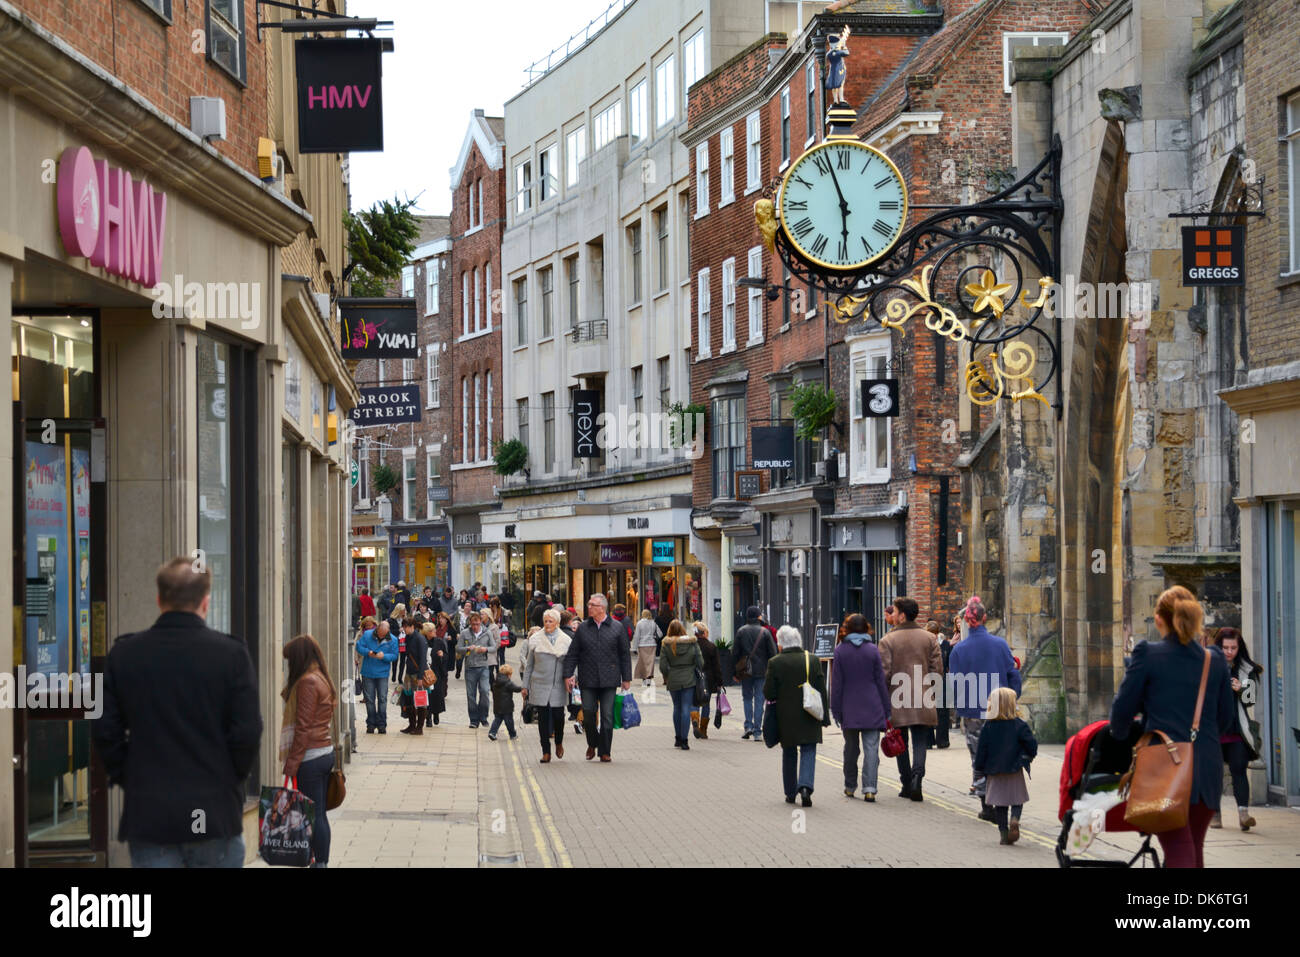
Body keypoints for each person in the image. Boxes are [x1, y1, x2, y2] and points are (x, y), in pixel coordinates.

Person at [93, 557, 262, 867]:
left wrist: (130, 776)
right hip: (214, 811)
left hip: (152, 814)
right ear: (206, 603)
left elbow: (104, 730)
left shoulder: (125, 655)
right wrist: (229, 779)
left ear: (159, 600)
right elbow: (248, 732)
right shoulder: (231, 655)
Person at [1110, 585, 1234, 868]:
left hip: (1165, 767)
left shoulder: (1147, 654)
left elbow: (1122, 709)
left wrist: (1121, 735)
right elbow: (1226, 719)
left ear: (1159, 619)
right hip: (1206, 768)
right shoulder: (1213, 659)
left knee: (1179, 848)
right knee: (1194, 846)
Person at [947, 596, 1021, 820]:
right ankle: (1002, 801)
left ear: (967, 621)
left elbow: (955, 684)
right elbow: (1013, 674)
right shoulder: (999, 644)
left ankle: (986, 804)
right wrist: (1013, 697)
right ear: (984, 618)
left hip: (973, 711)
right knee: (999, 753)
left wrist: (958, 707)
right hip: (1000, 707)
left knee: (978, 755)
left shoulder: (959, 650)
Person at [279, 634, 337, 867]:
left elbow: (303, 727)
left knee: (314, 815)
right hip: (323, 751)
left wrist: (292, 763)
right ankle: (320, 860)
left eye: (290, 660)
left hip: (311, 757)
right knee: (319, 813)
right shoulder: (320, 676)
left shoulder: (308, 682)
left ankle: (320, 862)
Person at [878, 597, 942, 801]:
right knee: (920, 741)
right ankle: (917, 778)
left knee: (900, 741)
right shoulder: (929, 638)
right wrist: (930, 691)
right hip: (923, 696)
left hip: (897, 698)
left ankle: (906, 783)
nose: (892, 615)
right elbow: (937, 671)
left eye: (895, 612)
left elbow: (884, 674)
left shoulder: (887, 640)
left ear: (902, 615)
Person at [764, 625, 831, 806]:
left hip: (786, 717)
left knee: (790, 752)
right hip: (810, 713)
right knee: (809, 750)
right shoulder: (813, 660)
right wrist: (825, 717)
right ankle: (805, 787)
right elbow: (821, 691)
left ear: (780, 644)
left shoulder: (775, 662)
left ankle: (790, 792)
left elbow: (769, 693)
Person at [564, 594, 632, 762]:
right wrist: (568, 674)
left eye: (592, 605)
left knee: (607, 716)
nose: (589, 607)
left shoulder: (617, 627)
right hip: (588, 678)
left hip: (610, 678)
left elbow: (625, 654)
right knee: (588, 713)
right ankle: (592, 743)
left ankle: (605, 751)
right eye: (589, 604)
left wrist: (627, 678)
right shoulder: (584, 628)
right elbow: (573, 653)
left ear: (602, 608)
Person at [831, 613, 890, 801]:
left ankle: (850, 786)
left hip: (849, 707)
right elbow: (881, 682)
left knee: (850, 748)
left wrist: (835, 710)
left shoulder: (840, 651)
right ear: (866, 628)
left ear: (846, 628)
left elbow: (837, 684)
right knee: (871, 749)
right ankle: (870, 788)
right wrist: (886, 708)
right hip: (872, 705)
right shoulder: (872, 650)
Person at [973, 687, 1038, 845]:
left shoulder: (988, 727)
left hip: (994, 771)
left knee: (1000, 804)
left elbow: (981, 750)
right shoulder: (1019, 725)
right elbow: (1032, 744)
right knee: (1017, 799)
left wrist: (979, 770)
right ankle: (1015, 819)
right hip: (1014, 768)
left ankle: (1003, 834)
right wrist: (1028, 756)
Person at [1211, 627, 1261, 830]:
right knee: (1213, 773)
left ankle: (1243, 814)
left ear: (1239, 648)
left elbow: (1251, 701)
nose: (1229, 651)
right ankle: (1215, 815)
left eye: (1233, 647)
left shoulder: (1246, 669)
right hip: (1213, 729)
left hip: (1236, 729)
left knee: (1239, 769)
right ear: (1218, 647)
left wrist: (1241, 689)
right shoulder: (1208, 666)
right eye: (1225, 647)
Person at [522, 608, 572, 763]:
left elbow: (571, 664)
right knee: (543, 718)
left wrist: (572, 678)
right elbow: (529, 665)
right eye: (545, 621)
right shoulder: (536, 639)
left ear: (557, 623)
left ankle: (558, 742)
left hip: (558, 684)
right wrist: (525, 686)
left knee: (558, 716)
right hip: (540, 683)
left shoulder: (565, 640)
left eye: (551, 621)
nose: (548, 624)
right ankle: (546, 752)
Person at [735, 606, 778, 741]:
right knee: (760, 699)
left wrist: (735, 672)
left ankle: (748, 725)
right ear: (758, 616)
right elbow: (773, 653)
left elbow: (735, 653)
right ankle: (758, 731)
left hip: (746, 670)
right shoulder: (765, 632)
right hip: (762, 670)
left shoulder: (741, 631)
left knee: (747, 697)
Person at [660, 620, 704, 750]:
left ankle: (677, 738)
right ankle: (684, 740)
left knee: (677, 707)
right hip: (689, 679)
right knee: (686, 708)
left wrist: (668, 674)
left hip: (673, 678)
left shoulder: (666, 644)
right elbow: (700, 662)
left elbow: (662, 666)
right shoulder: (692, 643)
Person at [357, 618, 398, 734]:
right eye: (380, 633)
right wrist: (368, 652)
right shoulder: (368, 635)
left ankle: (381, 725)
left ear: (388, 632)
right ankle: (370, 723)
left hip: (383, 673)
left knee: (382, 699)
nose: (381, 635)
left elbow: (395, 656)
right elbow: (359, 647)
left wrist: (383, 656)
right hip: (368, 672)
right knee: (369, 700)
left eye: (384, 634)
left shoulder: (393, 640)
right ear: (378, 628)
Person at [460, 611, 494, 729]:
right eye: (473, 624)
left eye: (477, 624)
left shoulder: (487, 633)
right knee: (471, 695)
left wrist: (485, 649)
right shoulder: (464, 633)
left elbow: (494, 647)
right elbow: (458, 648)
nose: (475, 626)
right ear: (470, 623)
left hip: (483, 666)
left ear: (481, 622)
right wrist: (468, 648)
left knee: (485, 691)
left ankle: (483, 716)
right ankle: (474, 720)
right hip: (470, 667)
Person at [400, 617, 430, 735]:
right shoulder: (407, 637)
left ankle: (419, 727)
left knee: (420, 700)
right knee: (408, 700)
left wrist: (420, 677)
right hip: (409, 672)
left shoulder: (420, 639)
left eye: (406, 627)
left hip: (418, 673)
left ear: (412, 627)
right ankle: (411, 724)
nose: (404, 629)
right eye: (403, 627)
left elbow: (423, 659)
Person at [694, 622, 722, 740]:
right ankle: (703, 730)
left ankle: (695, 719)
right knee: (706, 704)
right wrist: (719, 682)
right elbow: (716, 666)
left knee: (694, 702)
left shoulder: (692, 646)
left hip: (694, 678)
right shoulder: (711, 646)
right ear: (704, 633)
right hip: (708, 679)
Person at [926, 620, 951, 748]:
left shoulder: (945, 644)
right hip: (927, 680)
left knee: (942, 711)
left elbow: (949, 663)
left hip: (942, 680)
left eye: (934, 633)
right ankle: (928, 741)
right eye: (930, 633)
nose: (933, 636)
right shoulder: (924, 645)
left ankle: (942, 740)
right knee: (928, 710)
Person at [424, 620, 449, 726]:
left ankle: (436, 713)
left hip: (437, 671)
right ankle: (428, 717)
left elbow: (447, 656)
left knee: (437, 694)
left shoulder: (439, 642)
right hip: (425, 671)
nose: (435, 631)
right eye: (432, 630)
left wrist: (442, 655)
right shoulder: (422, 642)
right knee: (427, 695)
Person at [489, 665, 523, 741]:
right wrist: (523, 687)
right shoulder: (508, 683)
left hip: (497, 706)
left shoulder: (496, 682)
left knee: (497, 720)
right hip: (507, 707)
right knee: (509, 722)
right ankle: (513, 735)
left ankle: (492, 732)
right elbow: (516, 689)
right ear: (508, 674)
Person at [632, 609, 661, 686]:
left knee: (643, 662)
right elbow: (660, 634)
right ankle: (649, 678)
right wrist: (654, 637)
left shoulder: (639, 623)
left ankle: (644, 679)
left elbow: (637, 636)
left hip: (642, 645)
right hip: (652, 644)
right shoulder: (653, 623)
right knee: (651, 662)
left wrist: (634, 648)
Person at [389, 603, 408, 681]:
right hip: (396, 641)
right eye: (403, 610)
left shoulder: (406, 619)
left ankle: (400, 677)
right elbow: (389, 631)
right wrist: (398, 630)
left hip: (404, 641)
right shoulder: (391, 620)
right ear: (399, 610)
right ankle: (394, 675)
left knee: (403, 659)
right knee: (395, 659)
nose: (405, 611)